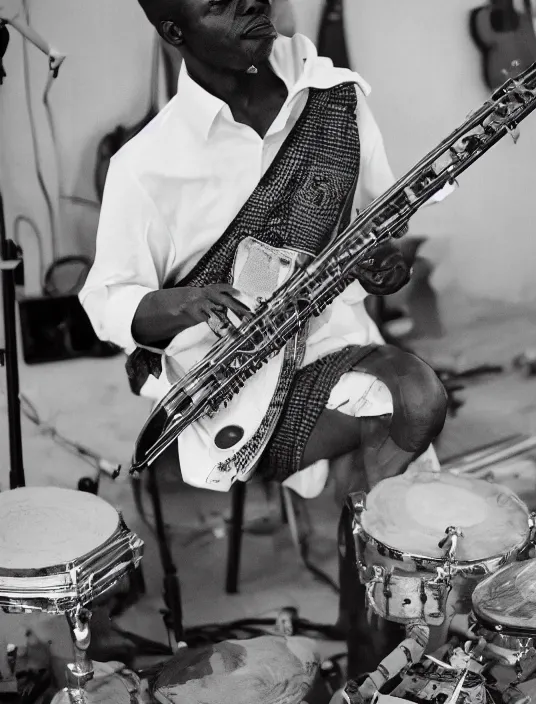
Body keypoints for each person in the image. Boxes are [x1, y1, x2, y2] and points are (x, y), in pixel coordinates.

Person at [79, 0, 449, 677]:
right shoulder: (148, 163)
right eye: (218, 1)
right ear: (174, 31)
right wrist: (185, 303)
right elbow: (106, 302)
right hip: (229, 388)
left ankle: (379, 642)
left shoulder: (335, 100)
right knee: (397, 437)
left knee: (412, 404)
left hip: (339, 346)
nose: (252, 0)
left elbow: (374, 220)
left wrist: (386, 263)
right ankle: (385, 648)